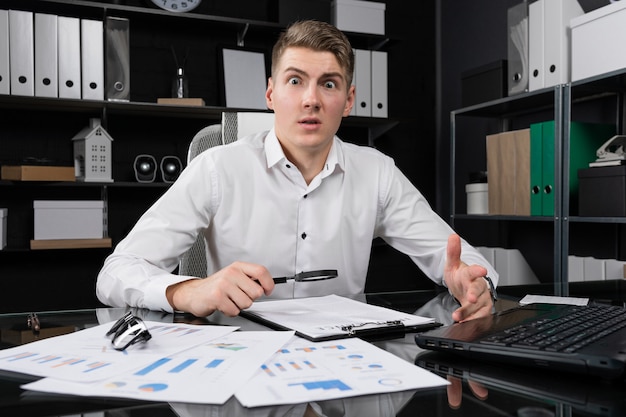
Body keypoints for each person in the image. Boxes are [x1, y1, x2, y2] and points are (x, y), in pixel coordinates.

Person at [96, 20, 498, 322]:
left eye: (328, 84)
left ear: (349, 100)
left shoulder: (377, 173)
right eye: (295, 81)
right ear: (271, 94)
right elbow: (114, 274)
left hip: (346, 361)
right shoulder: (218, 167)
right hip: (239, 357)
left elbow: (458, 261)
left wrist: (475, 284)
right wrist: (188, 290)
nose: (311, 100)